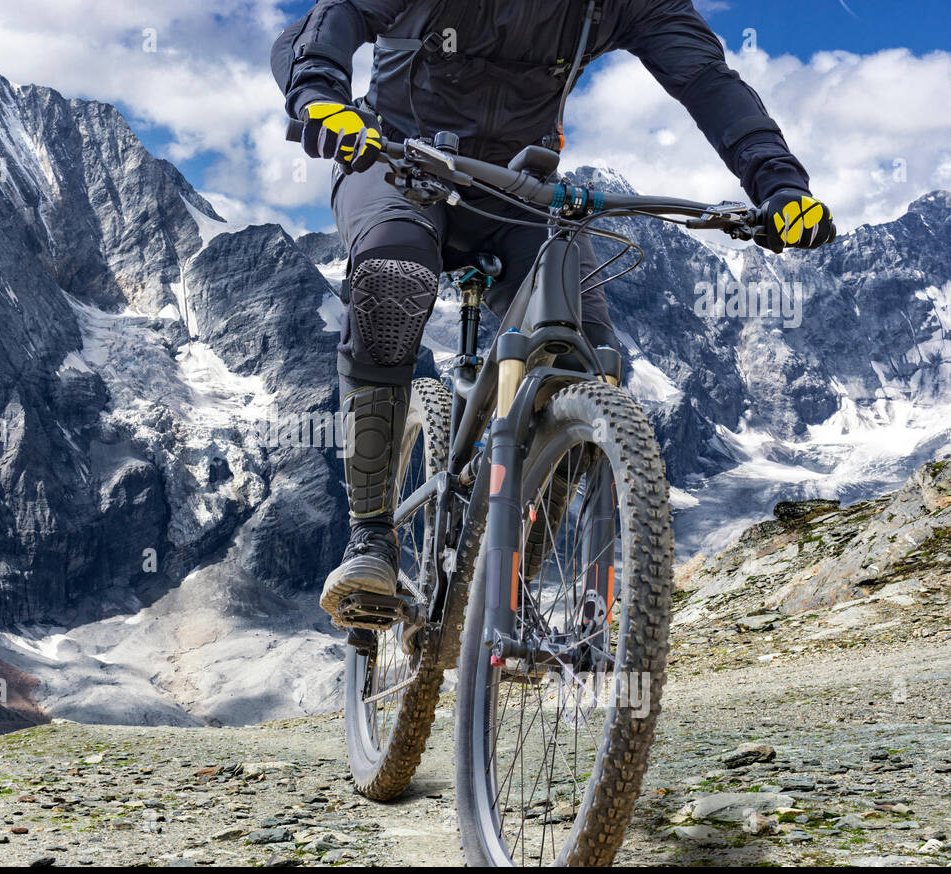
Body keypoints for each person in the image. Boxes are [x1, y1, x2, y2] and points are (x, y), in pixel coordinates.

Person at [271, 0, 836, 624]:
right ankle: (371, 537)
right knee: (392, 278)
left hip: (518, 189)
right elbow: (339, 14)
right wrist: (320, 92)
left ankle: (511, 580)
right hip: (395, 163)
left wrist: (779, 184)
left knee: (587, 358)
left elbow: (705, 79)